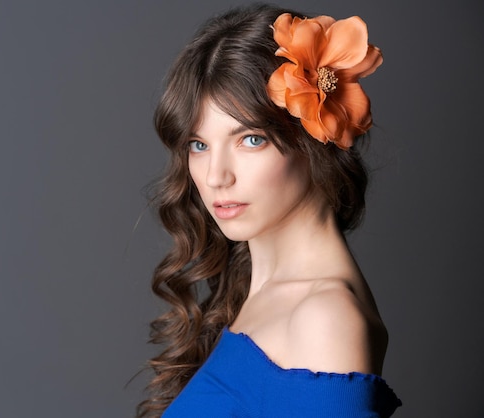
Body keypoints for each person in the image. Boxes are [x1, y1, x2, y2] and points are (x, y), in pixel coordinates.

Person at [138, 4, 402, 417]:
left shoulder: (324, 318)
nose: (215, 177)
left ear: (314, 137)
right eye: (199, 145)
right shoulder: (249, 293)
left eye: (251, 140)